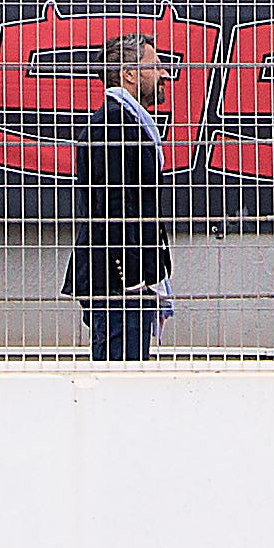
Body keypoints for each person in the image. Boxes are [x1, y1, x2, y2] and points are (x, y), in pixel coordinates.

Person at [59, 31, 176, 361]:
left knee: (126, 372)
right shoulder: (113, 123)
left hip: (124, 278)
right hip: (118, 282)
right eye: (154, 65)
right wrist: (133, 277)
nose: (165, 73)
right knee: (118, 373)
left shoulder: (128, 121)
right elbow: (111, 204)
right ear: (129, 73)